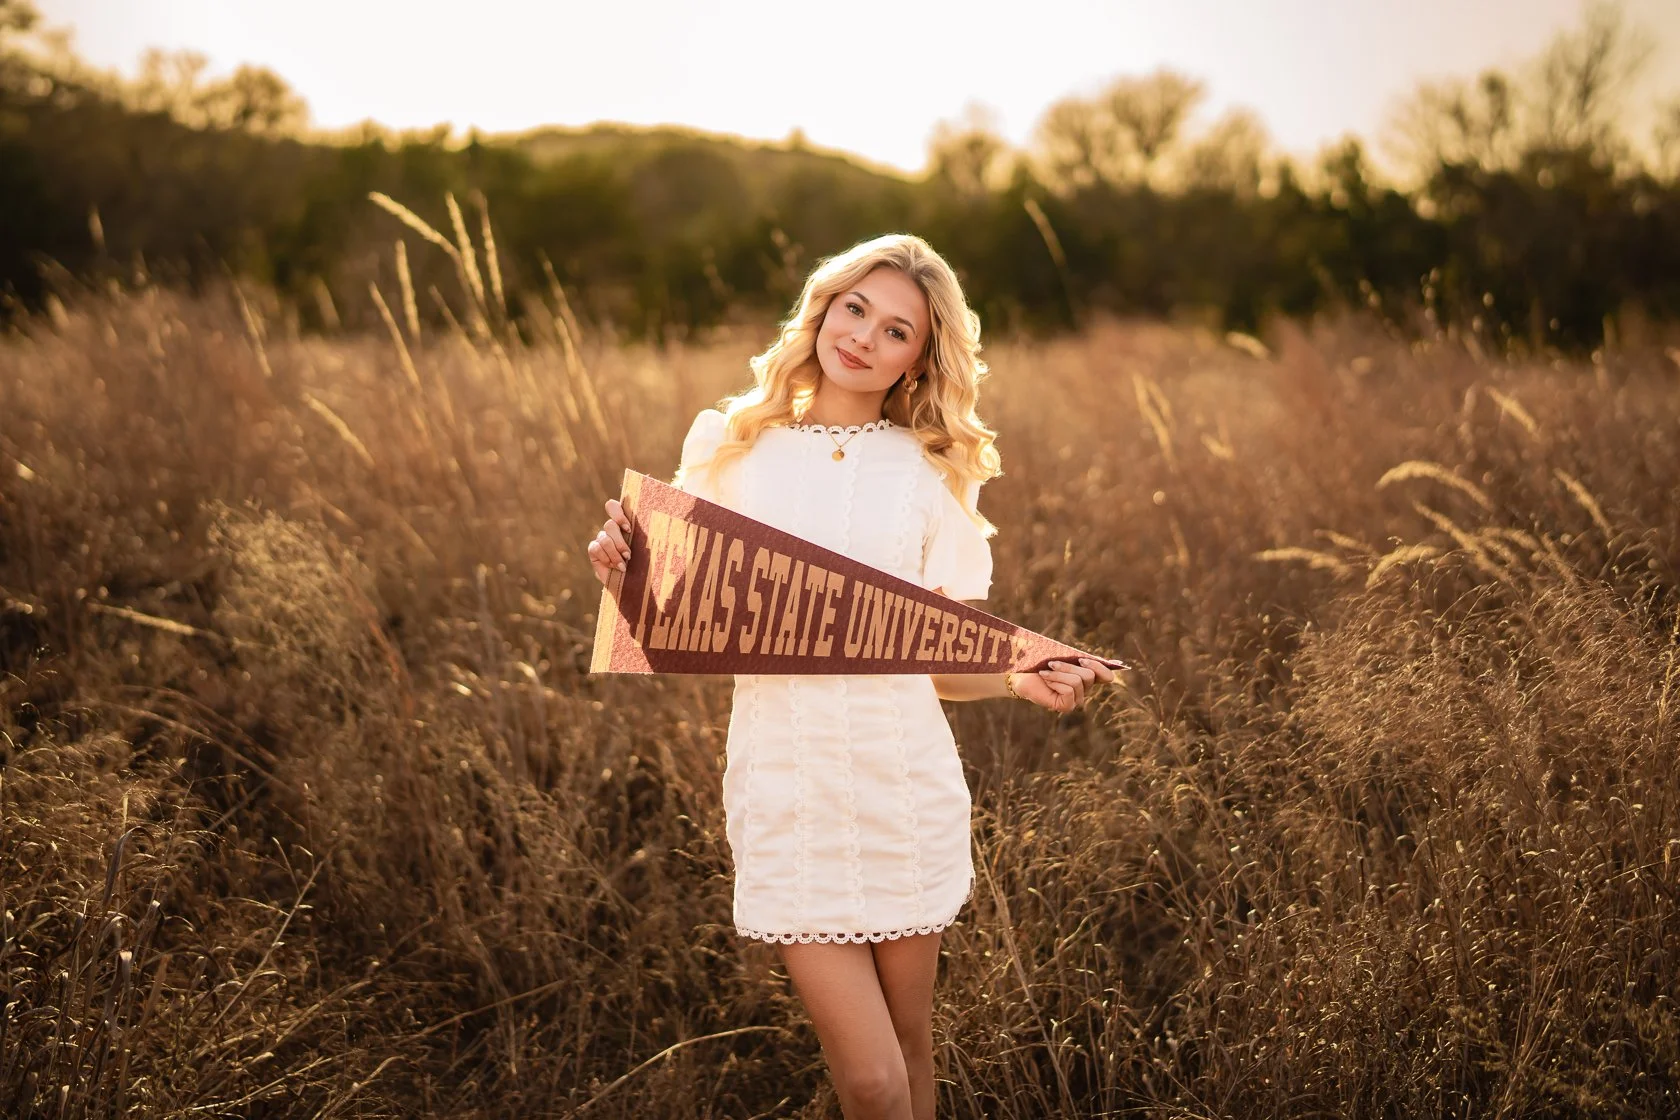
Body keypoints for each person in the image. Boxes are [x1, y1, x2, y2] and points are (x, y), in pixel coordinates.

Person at [586, 233, 1116, 1120]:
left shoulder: (928, 473)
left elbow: (937, 661)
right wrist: (623, 577)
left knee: (911, 1050)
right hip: (787, 789)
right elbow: (681, 623)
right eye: (856, 309)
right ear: (823, 309)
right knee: (868, 1079)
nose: (865, 337)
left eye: (897, 330)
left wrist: (1020, 677)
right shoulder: (732, 446)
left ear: (920, 359)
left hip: (900, 785)